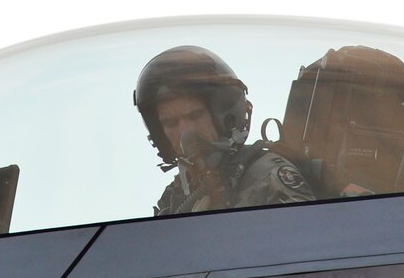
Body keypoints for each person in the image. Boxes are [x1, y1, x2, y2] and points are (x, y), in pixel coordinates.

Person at [133, 46, 315, 215]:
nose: (185, 132)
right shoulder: (174, 197)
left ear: (225, 115)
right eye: (171, 123)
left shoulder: (266, 175)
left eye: (195, 116)